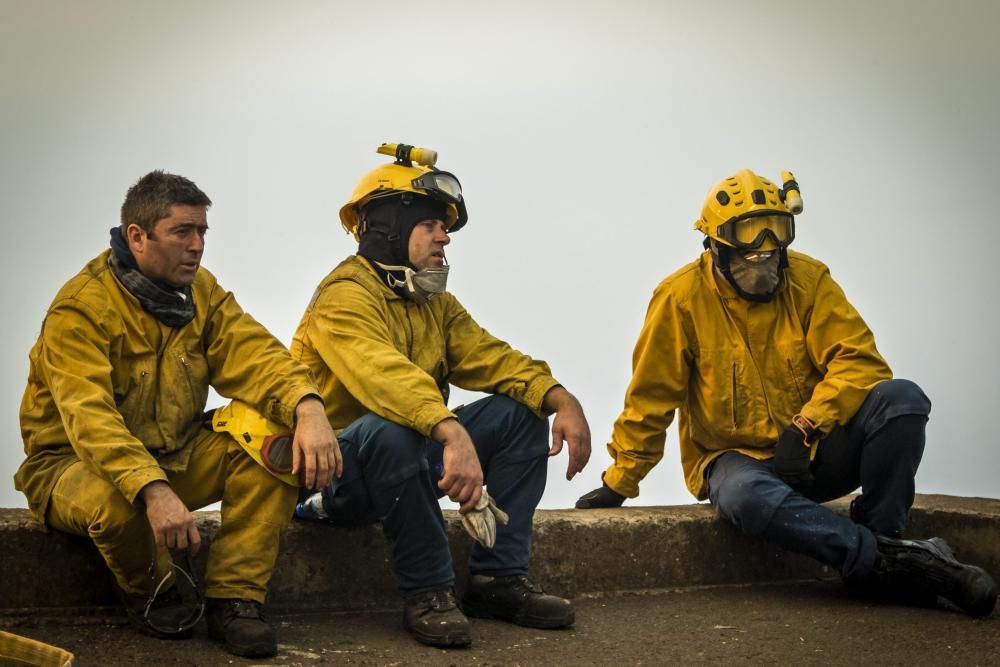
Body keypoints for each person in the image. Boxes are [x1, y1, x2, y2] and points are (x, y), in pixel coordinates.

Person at [576, 169, 997, 617]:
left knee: (902, 401)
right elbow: (651, 397)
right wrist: (621, 480)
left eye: (772, 249)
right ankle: (890, 562)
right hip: (736, 460)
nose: (761, 264)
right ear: (715, 247)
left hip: (810, 448)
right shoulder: (679, 299)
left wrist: (807, 426)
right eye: (746, 255)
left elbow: (860, 361)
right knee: (742, 496)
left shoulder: (809, 280)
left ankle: (883, 540)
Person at [15, 171, 341, 658]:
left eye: (203, 232)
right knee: (116, 501)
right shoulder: (81, 310)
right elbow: (91, 421)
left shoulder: (201, 292)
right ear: (137, 237)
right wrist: (153, 488)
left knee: (272, 444)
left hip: (176, 452)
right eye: (182, 232)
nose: (197, 246)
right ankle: (153, 592)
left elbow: (256, 357)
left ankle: (235, 600)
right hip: (71, 467)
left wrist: (308, 407)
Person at [290, 143, 592, 647]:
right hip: (336, 477)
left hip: (406, 454)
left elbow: (490, 356)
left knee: (519, 414)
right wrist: (451, 431)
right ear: (387, 224)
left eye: (443, 225)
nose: (444, 236)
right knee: (393, 427)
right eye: (431, 223)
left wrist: (559, 397)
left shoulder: (432, 301)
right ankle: (428, 592)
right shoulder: (343, 295)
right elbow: (385, 379)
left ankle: (497, 579)